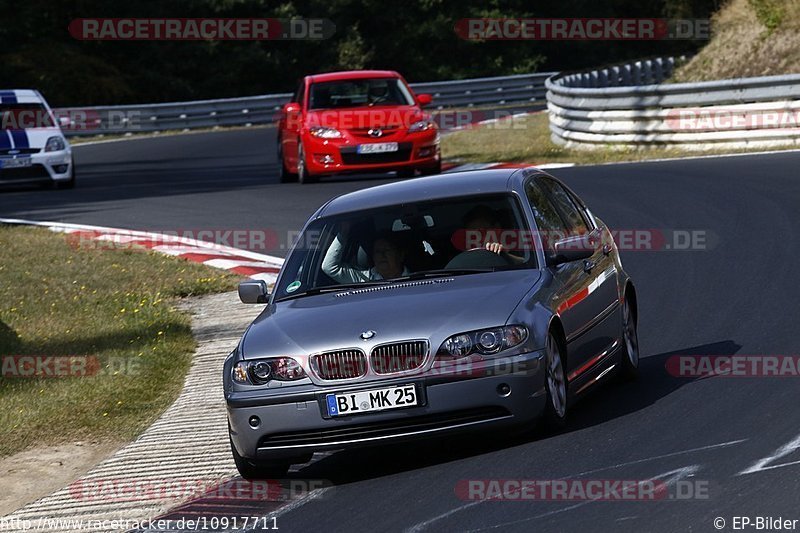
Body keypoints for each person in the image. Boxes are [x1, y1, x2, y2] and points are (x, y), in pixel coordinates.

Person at [322, 225, 409, 283]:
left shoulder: (418, 279)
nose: (382, 255)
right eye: (377, 251)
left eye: (387, 250)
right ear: (373, 257)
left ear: (400, 255)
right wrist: (344, 232)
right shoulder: (363, 279)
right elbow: (329, 267)